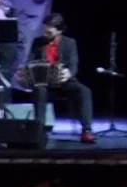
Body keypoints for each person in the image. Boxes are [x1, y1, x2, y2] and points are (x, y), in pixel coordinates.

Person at [27, 13, 96, 143]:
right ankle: (39, 130)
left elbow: (73, 65)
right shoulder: (38, 42)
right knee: (39, 90)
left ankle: (87, 130)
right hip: (44, 83)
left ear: (59, 30)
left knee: (85, 90)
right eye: (45, 28)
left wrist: (68, 73)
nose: (45, 31)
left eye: (49, 29)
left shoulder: (70, 43)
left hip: (64, 82)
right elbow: (30, 62)